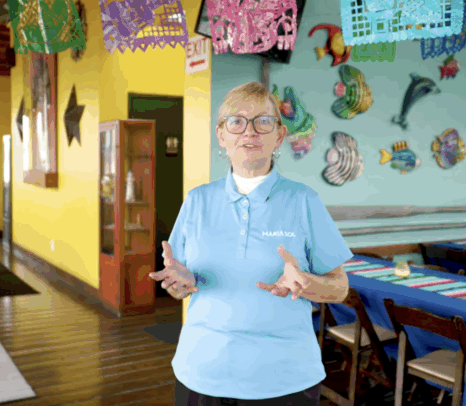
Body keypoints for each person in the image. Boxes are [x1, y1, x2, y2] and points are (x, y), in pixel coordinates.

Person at [149, 81, 353, 405]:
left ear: (279, 136)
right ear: (221, 135)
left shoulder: (304, 201)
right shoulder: (197, 201)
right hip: (201, 373)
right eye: (236, 121)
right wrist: (179, 285)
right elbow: (181, 287)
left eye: (263, 121)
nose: (250, 132)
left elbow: (340, 289)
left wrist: (307, 283)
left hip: (285, 380)